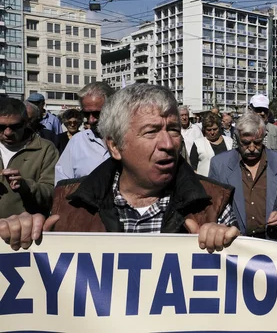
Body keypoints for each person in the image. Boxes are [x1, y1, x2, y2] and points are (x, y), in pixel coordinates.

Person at [0, 84, 238, 253]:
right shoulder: (71, 203)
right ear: (115, 146)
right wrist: (25, 236)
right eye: (151, 132)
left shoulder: (213, 202)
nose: (168, 144)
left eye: (173, 130)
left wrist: (224, 245)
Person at [209, 112, 277, 241]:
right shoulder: (219, 165)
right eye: (246, 143)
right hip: (234, 244)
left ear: (263, 137)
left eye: (257, 142)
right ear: (237, 139)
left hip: (272, 242)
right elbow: (214, 205)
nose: (251, 148)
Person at [0, 98, 58, 219]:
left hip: (27, 231)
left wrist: (26, 186)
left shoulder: (45, 149)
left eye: (15, 126)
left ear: (26, 122)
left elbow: (53, 194)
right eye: (1, 127)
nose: (8, 132)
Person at [54, 82, 115, 184]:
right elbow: (62, 184)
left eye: (97, 114)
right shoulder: (77, 142)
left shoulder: (130, 138)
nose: (91, 120)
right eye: (86, 114)